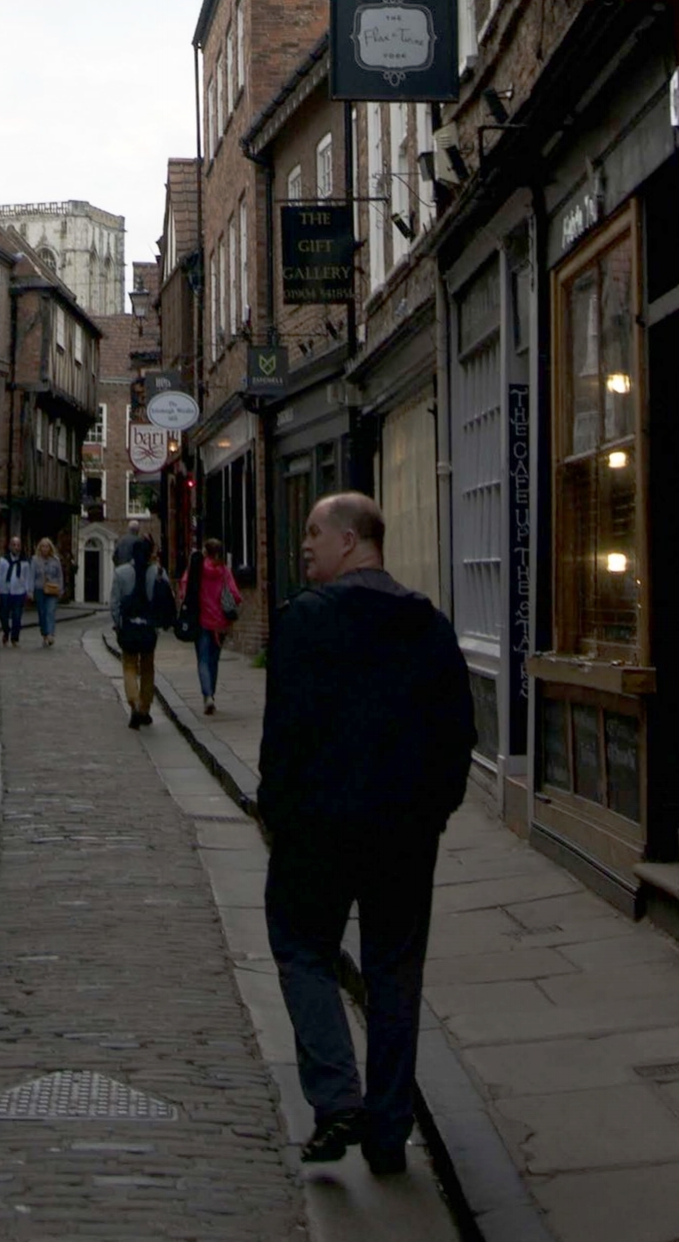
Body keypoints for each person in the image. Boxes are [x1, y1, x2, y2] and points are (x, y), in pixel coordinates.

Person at [260, 492, 474, 1179]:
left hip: (318, 831)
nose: (305, 546)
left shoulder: (304, 623)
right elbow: (457, 737)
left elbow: (283, 736)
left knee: (301, 950)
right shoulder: (429, 626)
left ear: (352, 542)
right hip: (404, 834)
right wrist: (435, 810)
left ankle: (335, 1097)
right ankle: (387, 1133)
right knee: (394, 975)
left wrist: (277, 812)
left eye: (315, 533)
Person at [110, 531, 176, 728]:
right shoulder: (158, 572)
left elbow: (114, 604)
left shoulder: (120, 573)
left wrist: (118, 624)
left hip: (129, 627)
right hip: (149, 628)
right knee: (147, 668)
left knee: (129, 666)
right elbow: (165, 599)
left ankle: (134, 702)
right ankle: (145, 708)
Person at [183, 535, 242, 713]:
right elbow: (235, 595)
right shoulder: (224, 571)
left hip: (201, 621)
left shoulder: (197, 569)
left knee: (202, 660)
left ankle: (207, 695)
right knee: (214, 660)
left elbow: (185, 588)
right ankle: (211, 694)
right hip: (220, 623)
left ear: (205, 552)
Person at [0, 536, 31, 646]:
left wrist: (28, 591)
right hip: (5, 591)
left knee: (17, 616)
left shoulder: (24, 563)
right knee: (3, 614)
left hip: (19, 592)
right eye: (14, 545)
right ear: (10, 546)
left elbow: (27, 578)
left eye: (18, 545)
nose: (16, 547)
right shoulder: (3, 561)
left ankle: (15, 638)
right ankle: (6, 631)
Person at [31, 537, 64, 645]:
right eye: (43, 546)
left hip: (52, 589)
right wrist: (30, 591)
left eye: (47, 546)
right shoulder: (35, 560)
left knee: (50, 611)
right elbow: (32, 576)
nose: (45, 549)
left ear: (50, 548)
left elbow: (60, 576)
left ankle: (50, 634)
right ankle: (44, 633)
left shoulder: (55, 560)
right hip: (39, 589)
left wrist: (60, 588)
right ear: (39, 548)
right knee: (42, 613)